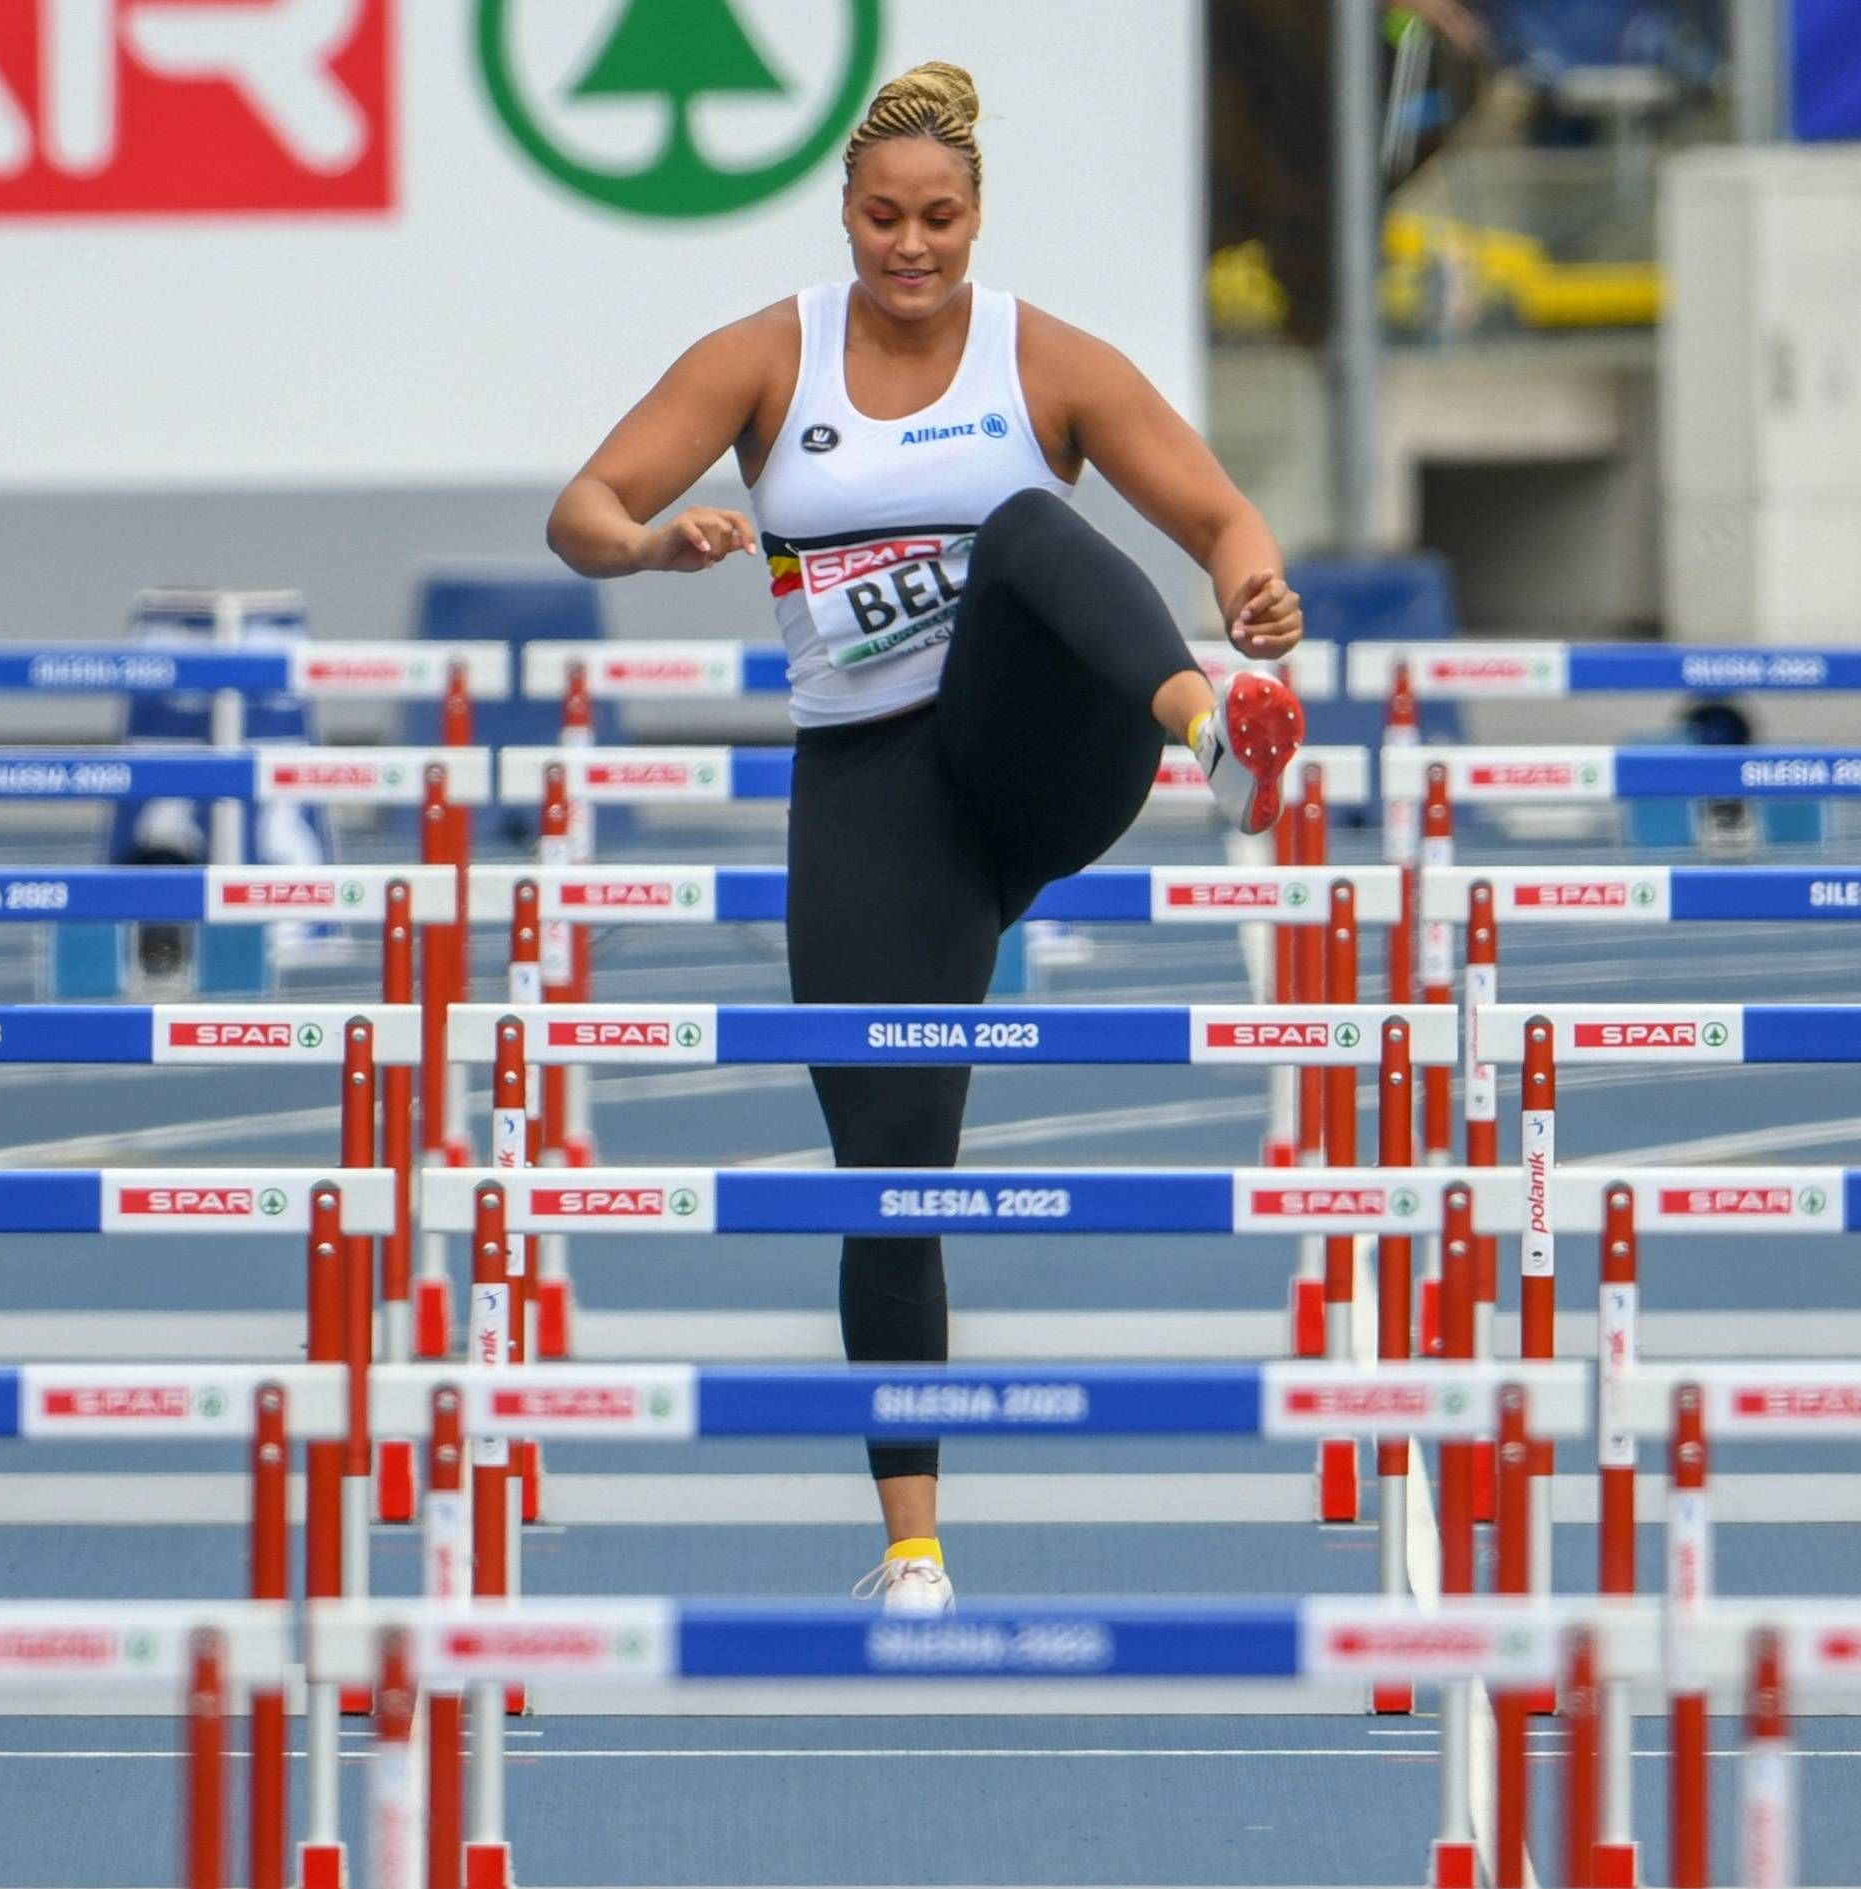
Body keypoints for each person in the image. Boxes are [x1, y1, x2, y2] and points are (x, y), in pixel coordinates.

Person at [546, 60, 1306, 1618]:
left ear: (976, 219)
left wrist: (1250, 601)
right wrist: (644, 541)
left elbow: (1222, 520)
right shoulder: (769, 357)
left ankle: (1210, 731)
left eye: (938, 221)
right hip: (870, 792)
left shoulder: (1045, 361)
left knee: (1026, 525)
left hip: (1045, 750)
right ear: (841, 214)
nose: (909, 248)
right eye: (881, 219)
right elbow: (582, 504)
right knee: (886, 1174)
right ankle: (912, 1549)